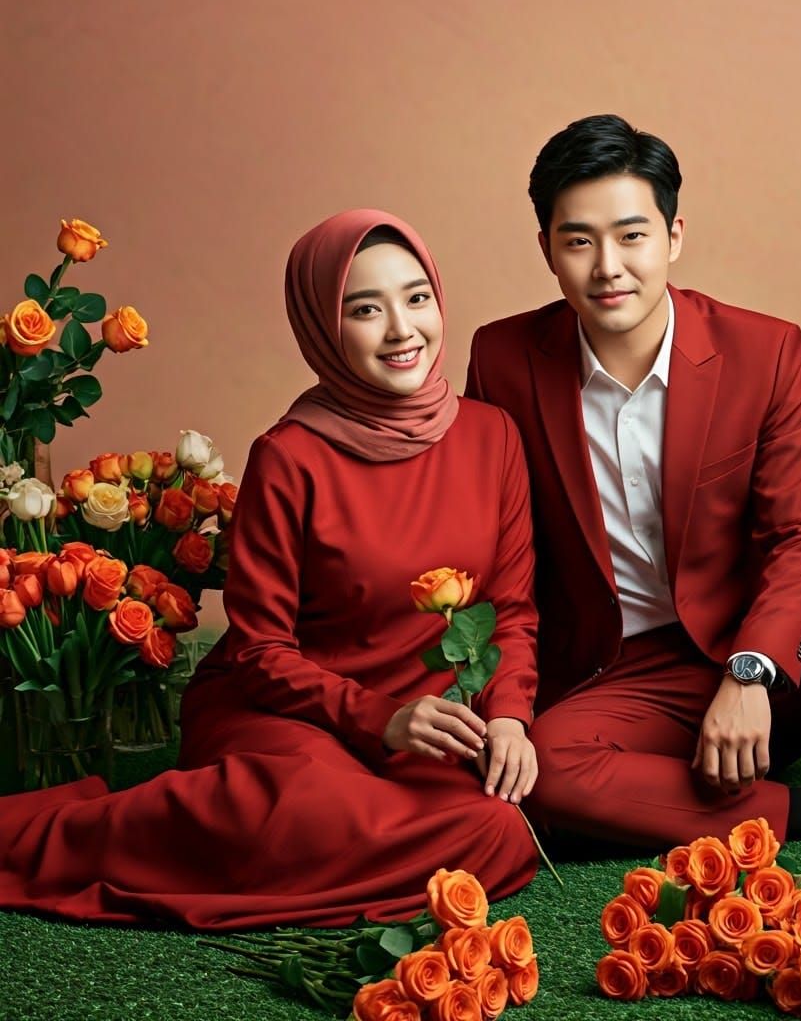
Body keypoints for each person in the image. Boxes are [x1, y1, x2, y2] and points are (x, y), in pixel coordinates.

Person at [465, 113, 801, 913]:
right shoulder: (504, 359)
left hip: (765, 663)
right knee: (543, 773)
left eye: (632, 235)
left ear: (674, 235)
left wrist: (750, 666)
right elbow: (501, 554)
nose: (608, 267)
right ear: (548, 248)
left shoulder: (764, 351)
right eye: (578, 240)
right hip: (616, 680)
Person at [0, 209, 539, 929]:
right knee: (312, 811)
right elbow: (260, 651)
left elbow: (513, 608)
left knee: (499, 831)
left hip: (429, 723)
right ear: (321, 324)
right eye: (364, 309)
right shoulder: (290, 455)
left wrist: (508, 719)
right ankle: (65, 832)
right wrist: (382, 720)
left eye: (417, 298)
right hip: (288, 713)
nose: (402, 329)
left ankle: (297, 841)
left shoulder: (493, 435)